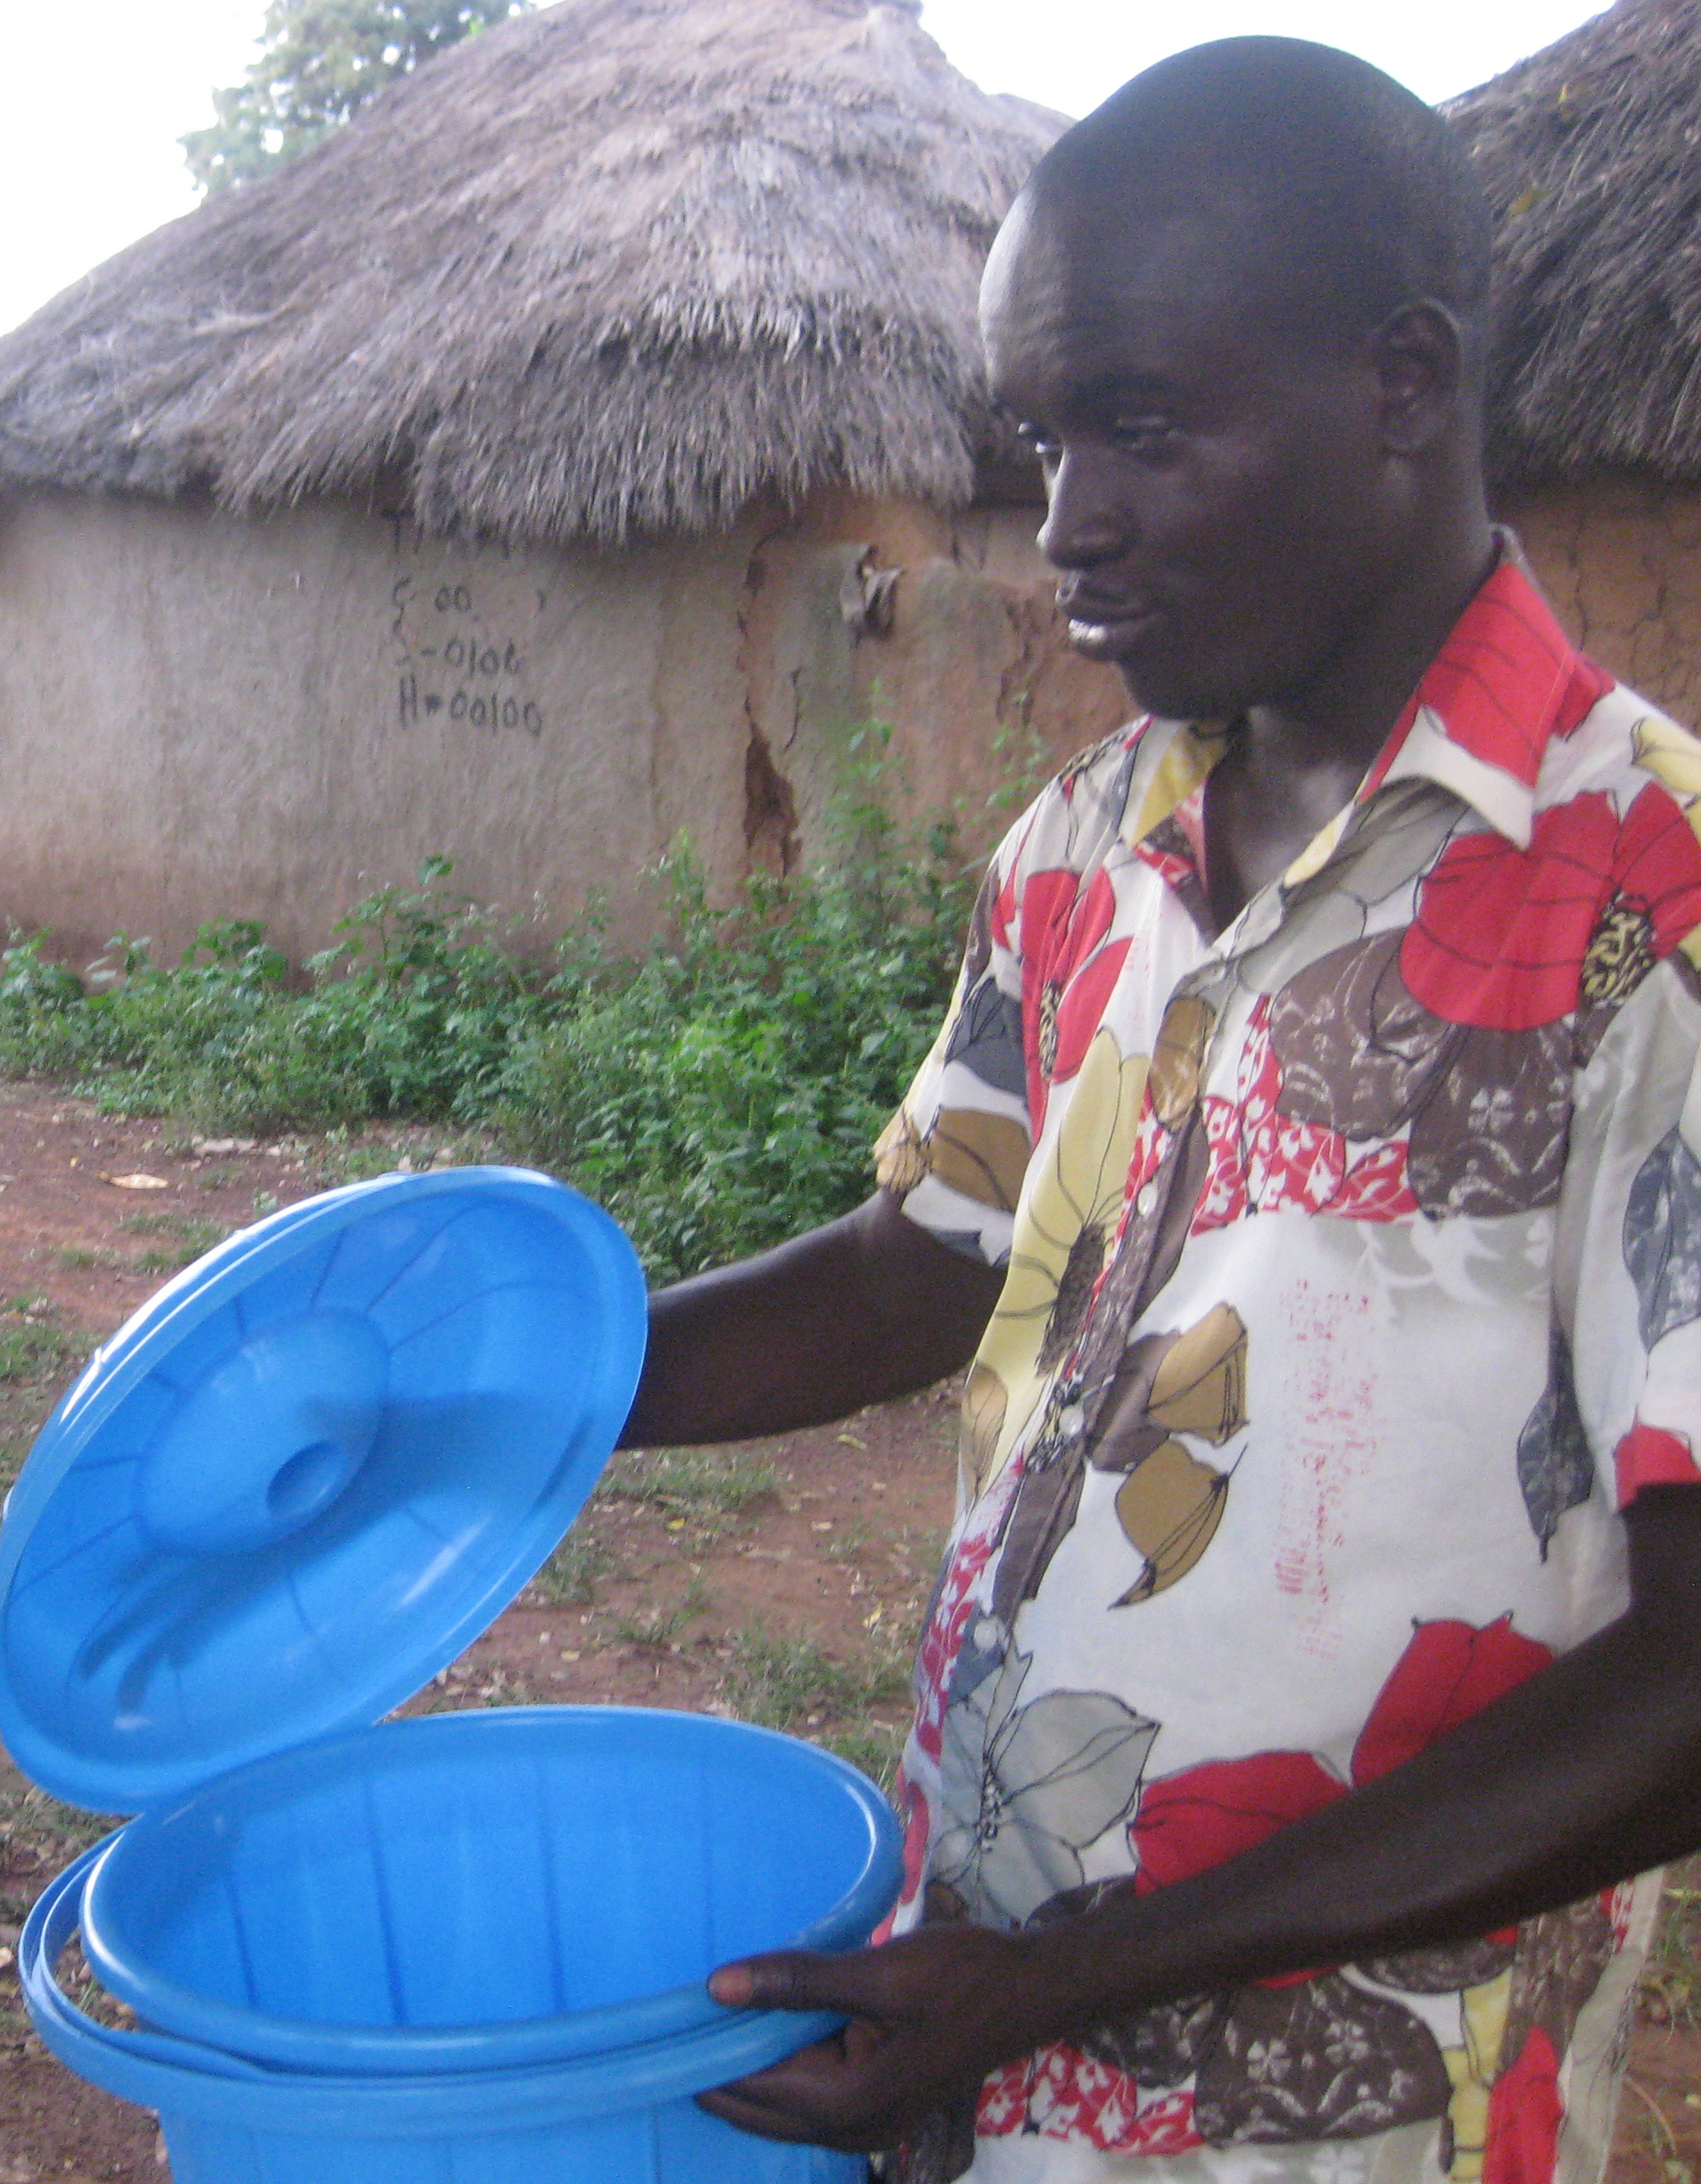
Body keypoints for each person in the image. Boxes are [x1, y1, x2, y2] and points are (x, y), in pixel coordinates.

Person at [630, 38, 1701, 2184]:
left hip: (1350, 2121)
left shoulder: (1640, 905)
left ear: (1403, 381)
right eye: (1043, 440)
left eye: (1138, 428)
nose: (1062, 528)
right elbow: (923, 1260)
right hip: (983, 2029)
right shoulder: (1091, 841)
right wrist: (523, 1380)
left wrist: (1083, 1980)